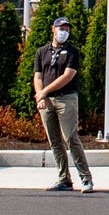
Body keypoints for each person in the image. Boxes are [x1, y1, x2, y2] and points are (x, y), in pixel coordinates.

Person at [33, 15, 92, 193]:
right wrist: (40, 95)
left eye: (66, 29)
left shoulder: (72, 52)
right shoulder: (42, 52)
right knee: (55, 141)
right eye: (61, 28)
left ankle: (86, 178)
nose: (63, 32)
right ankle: (64, 178)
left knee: (71, 138)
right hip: (47, 102)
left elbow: (68, 75)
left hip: (66, 99)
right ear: (53, 29)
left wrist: (44, 91)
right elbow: (38, 76)